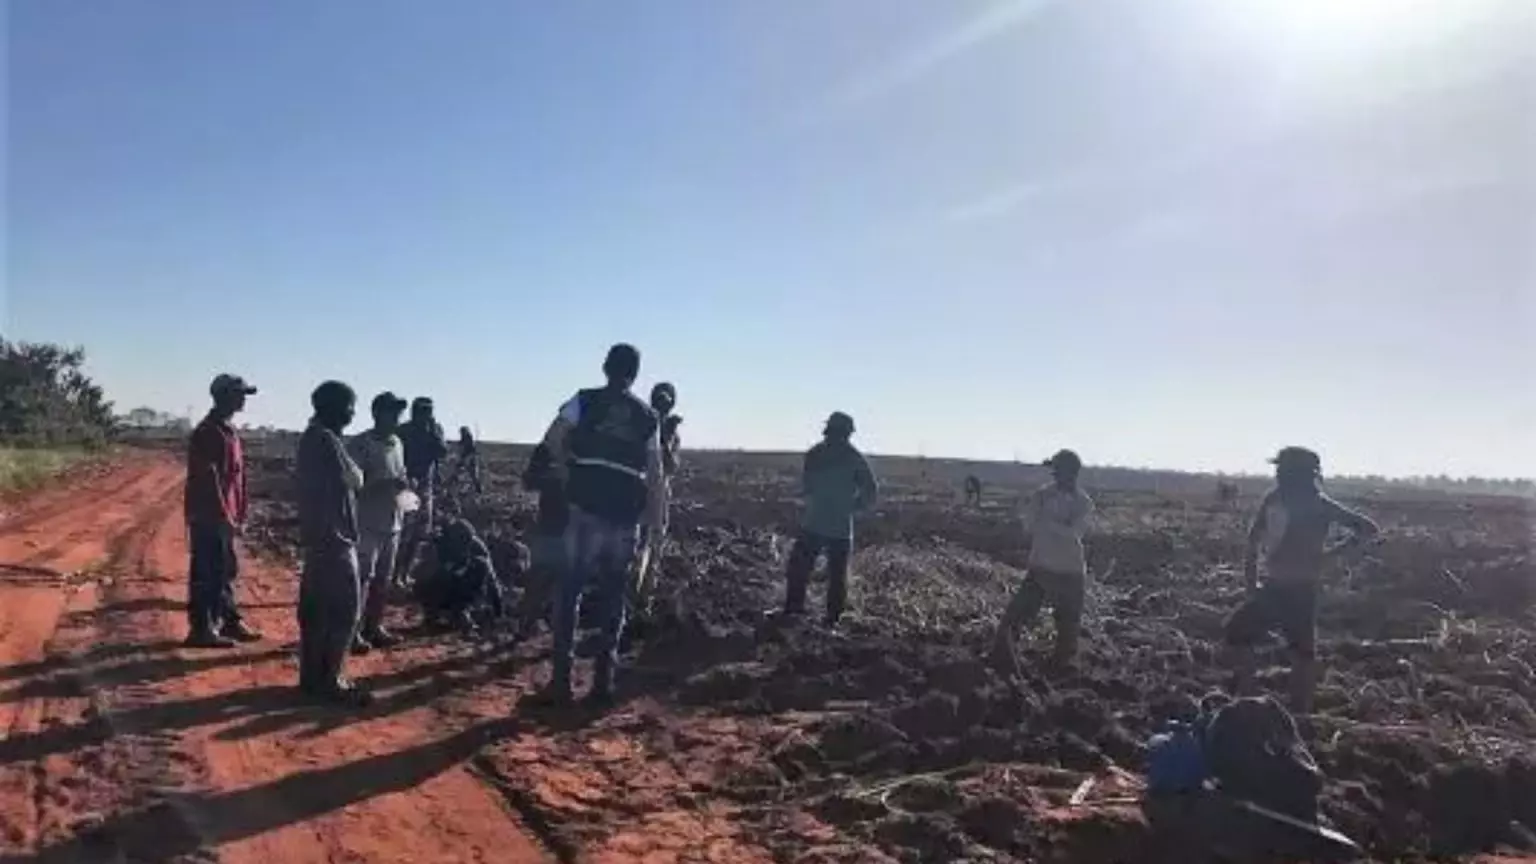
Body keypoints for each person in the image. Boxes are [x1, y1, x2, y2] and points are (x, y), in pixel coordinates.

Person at [532, 343, 666, 708]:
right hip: (624, 515)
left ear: (606, 367)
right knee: (613, 598)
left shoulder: (583, 400)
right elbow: (655, 474)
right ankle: (603, 684)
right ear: (635, 374)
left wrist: (567, 467)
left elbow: (552, 438)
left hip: (584, 508)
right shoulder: (647, 416)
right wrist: (655, 523)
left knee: (570, 592)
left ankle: (561, 682)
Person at [1225, 447, 1379, 714]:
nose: (1278, 475)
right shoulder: (1288, 501)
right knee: (1262, 642)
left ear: (1295, 474)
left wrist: (1329, 555)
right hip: (1285, 588)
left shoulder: (1306, 503)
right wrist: (1329, 556)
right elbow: (1252, 544)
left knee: (1294, 653)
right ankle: (1260, 703)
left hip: (1294, 590)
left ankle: (1277, 708)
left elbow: (1367, 529)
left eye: (1282, 470)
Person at [295, 380, 372, 706]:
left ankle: (313, 678)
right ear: (335, 407)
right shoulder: (326, 441)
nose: (353, 413)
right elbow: (352, 481)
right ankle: (331, 679)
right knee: (343, 611)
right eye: (350, 406)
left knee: (316, 611)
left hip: (321, 538)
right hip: (334, 539)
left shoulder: (315, 439)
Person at [991, 449, 1095, 668]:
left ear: (1072, 473)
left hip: (1070, 572)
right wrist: (1058, 525)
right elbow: (1029, 524)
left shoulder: (1084, 502)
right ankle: (1000, 661)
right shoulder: (1042, 495)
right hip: (1041, 567)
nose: (1055, 475)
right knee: (1013, 620)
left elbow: (1075, 532)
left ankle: (1060, 674)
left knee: (1067, 632)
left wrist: (1047, 523)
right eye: (1055, 471)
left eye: (1059, 470)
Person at [183, 373, 263, 648]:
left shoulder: (229, 431)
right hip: (209, 515)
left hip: (225, 514)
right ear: (223, 396)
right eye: (239, 394)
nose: (243, 399)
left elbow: (237, 478)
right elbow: (209, 479)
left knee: (226, 569)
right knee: (208, 571)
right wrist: (224, 514)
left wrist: (240, 511)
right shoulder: (208, 432)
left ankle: (229, 619)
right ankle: (202, 629)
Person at [779, 412, 879, 626]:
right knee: (835, 577)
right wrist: (851, 507)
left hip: (816, 522)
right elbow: (870, 491)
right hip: (836, 526)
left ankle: (795, 612)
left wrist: (821, 501)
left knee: (802, 569)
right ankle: (829, 619)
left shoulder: (816, 454)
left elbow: (807, 486)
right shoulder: (853, 457)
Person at [346, 392, 410, 655]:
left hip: (392, 522)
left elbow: (401, 475)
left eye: (398, 413)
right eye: (391, 412)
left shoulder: (397, 443)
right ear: (377, 414)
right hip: (367, 523)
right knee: (362, 580)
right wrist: (383, 485)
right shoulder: (361, 444)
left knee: (382, 581)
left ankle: (374, 626)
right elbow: (352, 484)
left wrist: (407, 496)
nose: (396, 418)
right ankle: (353, 632)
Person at [515, 442, 570, 638]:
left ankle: (530, 625)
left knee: (543, 580)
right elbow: (530, 480)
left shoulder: (552, 446)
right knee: (559, 583)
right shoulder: (588, 443)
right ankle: (554, 631)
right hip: (565, 527)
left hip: (552, 525)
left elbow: (529, 481)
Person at [634, 382, 682, 599]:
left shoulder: (672, 435)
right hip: (641, 491)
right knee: (640, 541)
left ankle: (644, 594)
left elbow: (670, 467)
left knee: (655, 542)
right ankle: (635, 589)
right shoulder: (642, 427)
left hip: (659, 493)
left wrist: (665, 437)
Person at [415, 518, 508, 630]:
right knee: (431, 577)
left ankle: (462, 611)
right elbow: (423, 572)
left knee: (481, 564)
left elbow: (492, 580)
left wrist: (498, 610)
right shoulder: (441, 544)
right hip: (444, 583)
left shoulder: (477, 548)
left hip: (468, 588)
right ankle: (434, 613)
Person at [396, 396, 448, 584]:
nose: (425, 415)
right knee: (404, 533)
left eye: (428, 411)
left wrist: (433, 432)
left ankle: (405, 573)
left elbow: (442, 452)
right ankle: (394, 575)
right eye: (422, 410)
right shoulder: (404, 431)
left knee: (419, 533)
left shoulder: (435, 430)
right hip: (408, 486)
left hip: (426, 487)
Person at [449, 425, 483, 494]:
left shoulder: (468, 439)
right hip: (465, 458)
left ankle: (477, 489)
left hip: (469, 458)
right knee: (459, 471)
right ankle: (454, 482)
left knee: (473, 475)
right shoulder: (466, 439)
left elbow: (469, 450)